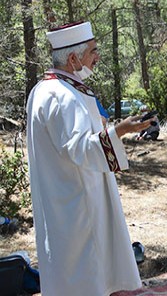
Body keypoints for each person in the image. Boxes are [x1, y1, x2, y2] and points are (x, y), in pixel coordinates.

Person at [26, 21, 152, 295]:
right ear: (73, 58)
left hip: (61, 198)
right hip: (77, 203)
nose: (98, 57)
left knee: (69, 273)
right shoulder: (62, 96)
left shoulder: (46, 89)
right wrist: (121, 130)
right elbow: (80, 148)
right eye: (93, 51)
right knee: (85, 275)